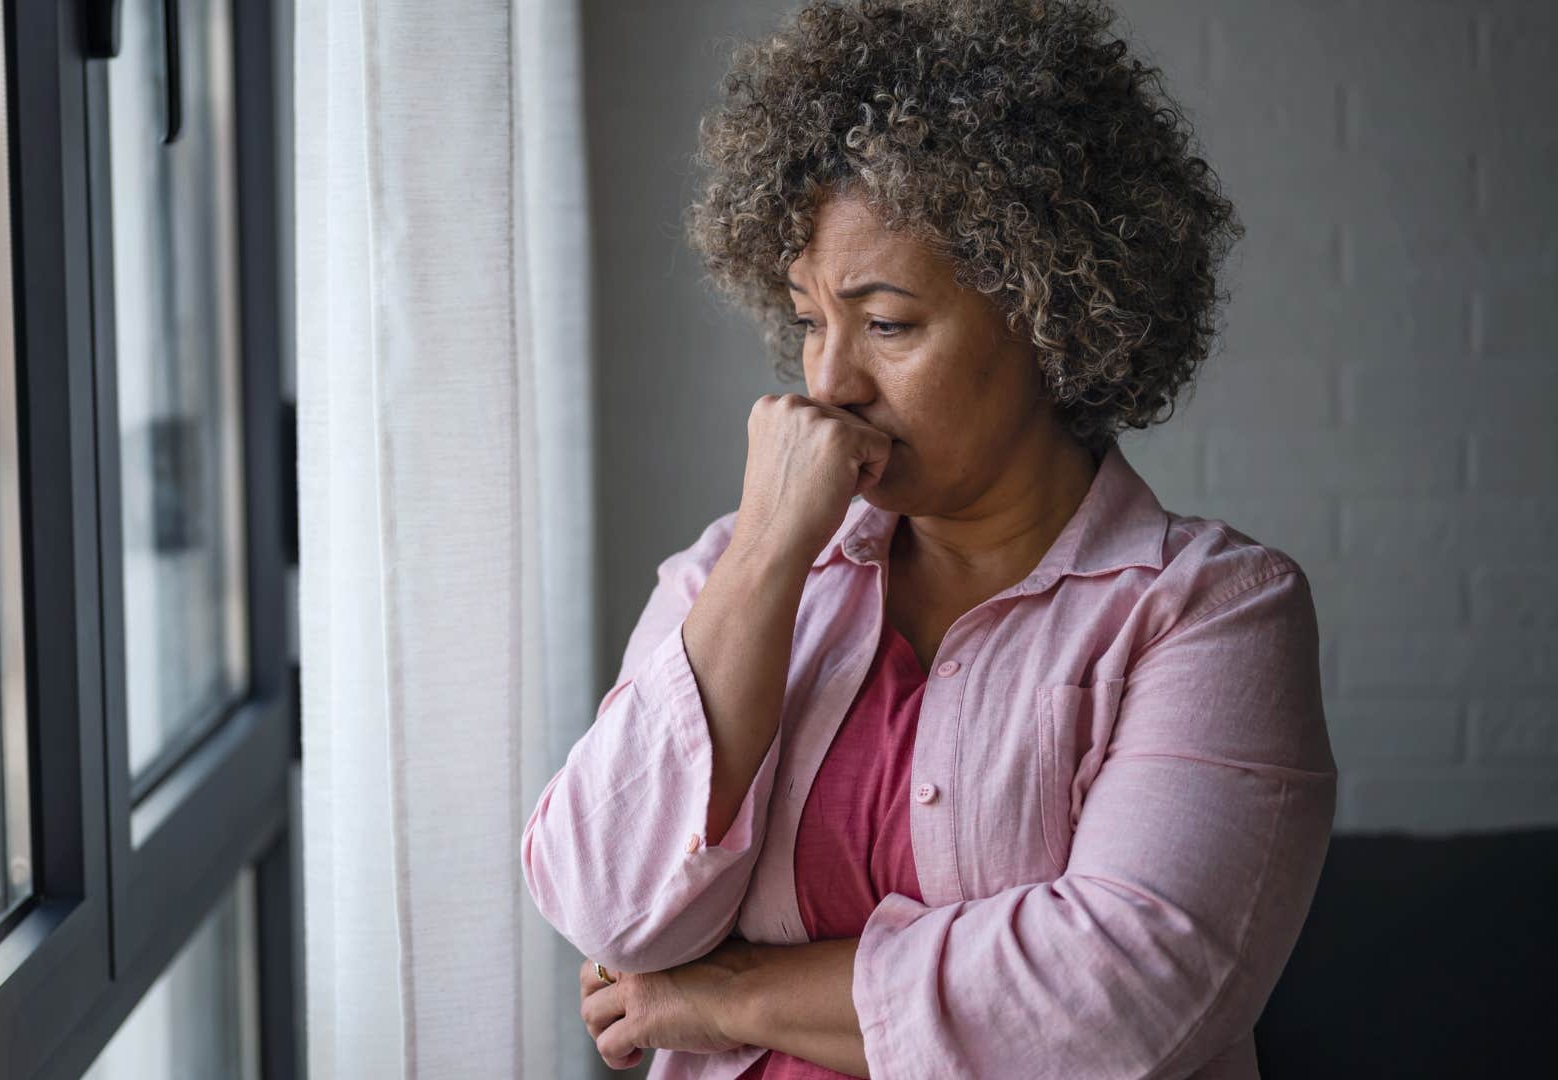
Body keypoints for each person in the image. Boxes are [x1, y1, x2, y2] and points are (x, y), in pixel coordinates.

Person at [519, 0, 1336, 1076]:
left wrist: (721, 995)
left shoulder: (1209, 612)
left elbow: (1112, 1000)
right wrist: (768, 555)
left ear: (1056, 314)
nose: (826, 381)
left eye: (888, 323)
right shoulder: (737, 568)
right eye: (811, 319)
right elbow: (607, 908)